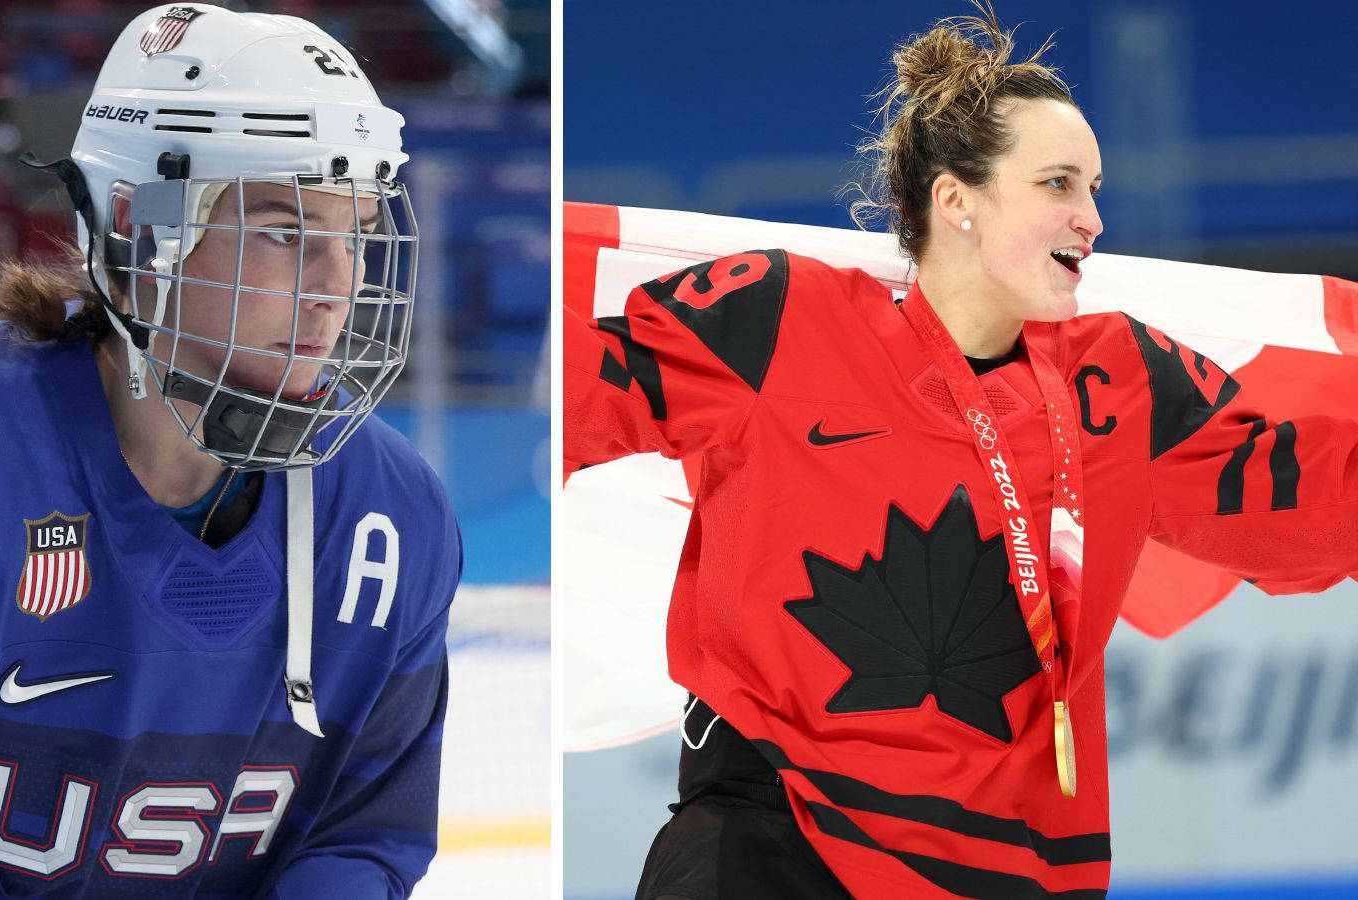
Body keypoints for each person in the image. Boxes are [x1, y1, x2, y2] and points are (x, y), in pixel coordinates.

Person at [563, 8, 1358, 899]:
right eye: (1059, 184)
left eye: (1095, 187)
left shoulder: (1121, 379)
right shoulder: (779, 318)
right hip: (774, 845)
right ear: (956, 200)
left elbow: (1311, 507)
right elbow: (573, 395)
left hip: (1010, 870)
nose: (1092, 218)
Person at [0, 5, 459, 897]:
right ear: (140, 224)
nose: (335, 290)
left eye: (355, 235)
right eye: (287, 233)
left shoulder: (392, 518)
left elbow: (364, 837)